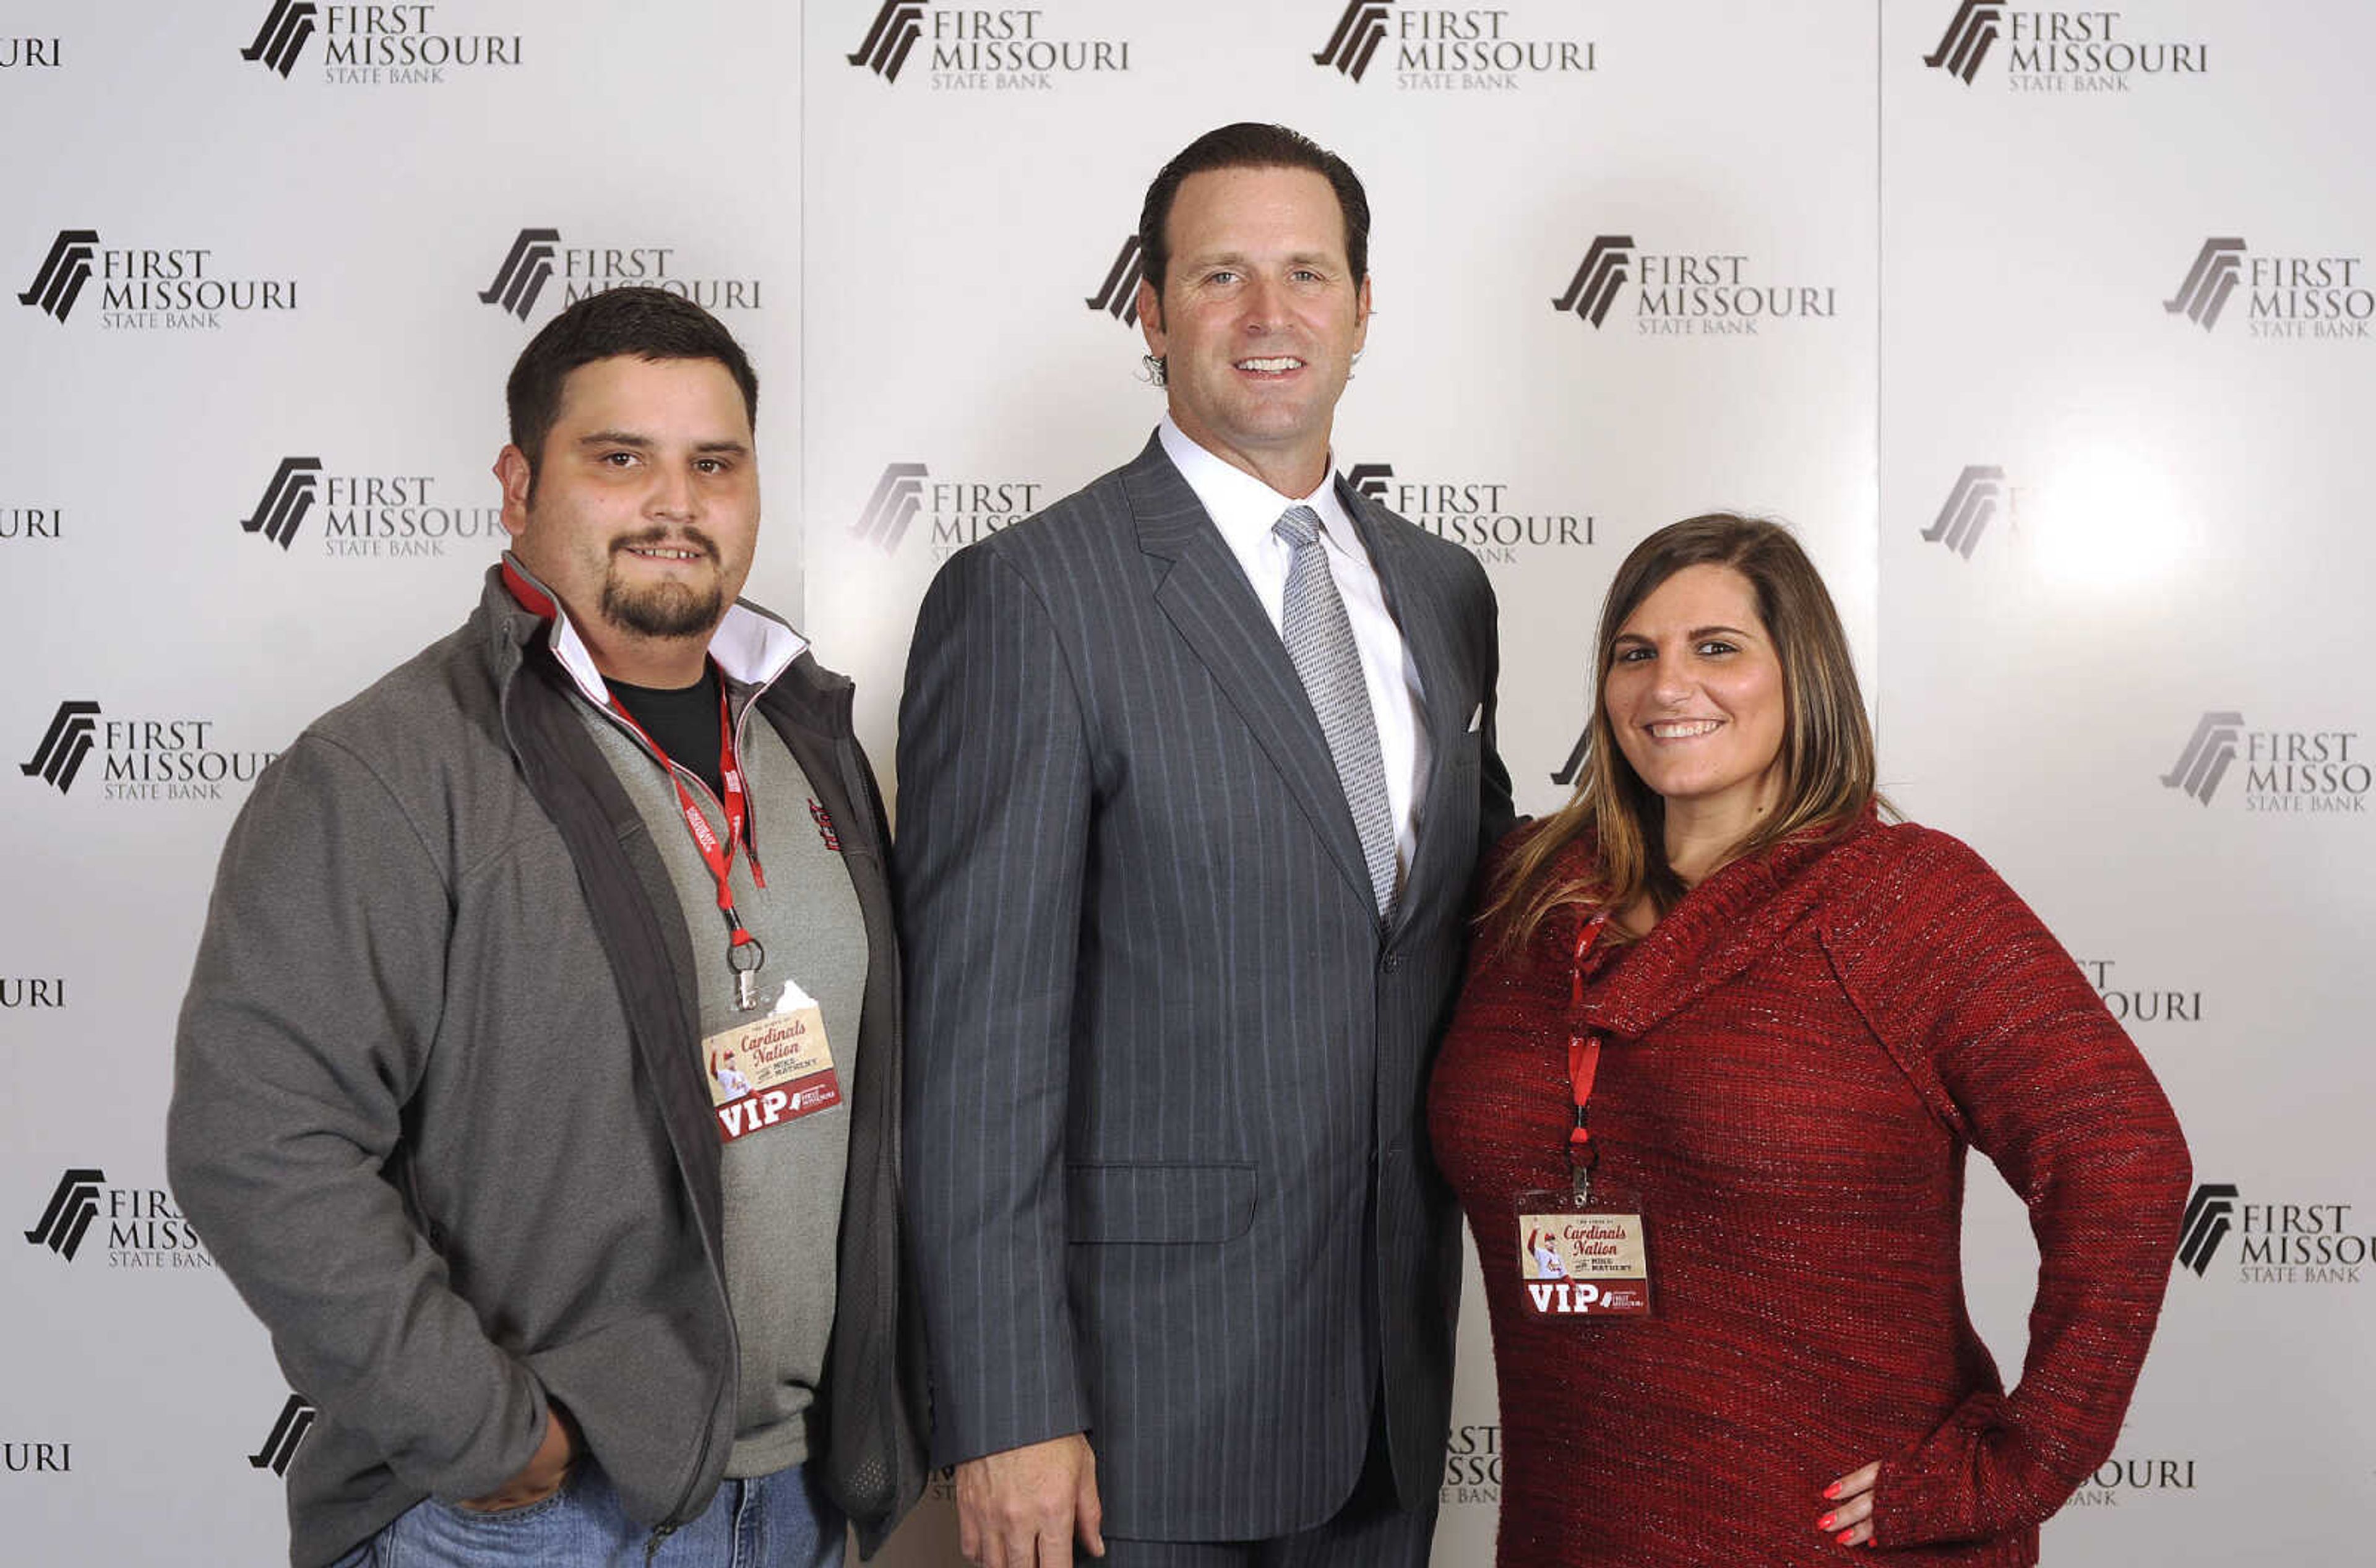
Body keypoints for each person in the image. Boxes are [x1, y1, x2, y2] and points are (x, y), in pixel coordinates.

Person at [168, 288, 926, 1568]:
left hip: (790, 1505)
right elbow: (258, 1139)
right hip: (527, 1524)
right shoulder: (391, 766)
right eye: (619, 459)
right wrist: (489, 1435)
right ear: (519, 485)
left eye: (714, 464)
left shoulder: (805, 739)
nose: (674, 504)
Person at [895, 123, 1517, 1568]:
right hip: (1129, 1421)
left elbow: (1463, 909)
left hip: (1387, 1384)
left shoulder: (1444, 589)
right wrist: (1004, 1410)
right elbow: (978, 1046)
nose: (1267, 313)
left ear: (1364, 309)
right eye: (1220, 273)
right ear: (1151, 310)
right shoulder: (1031, 597)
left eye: (1307, 273)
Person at [1428, 514, 2192, 1566]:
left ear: (1805, 678)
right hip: (1573, 1530)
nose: (1667, 687)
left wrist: (2024, 1459)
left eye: (1718, 648)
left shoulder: (1901, 898)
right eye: (1635, 653)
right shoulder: (1523, 893)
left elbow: (2125, 1157)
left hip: (1831, 1536)